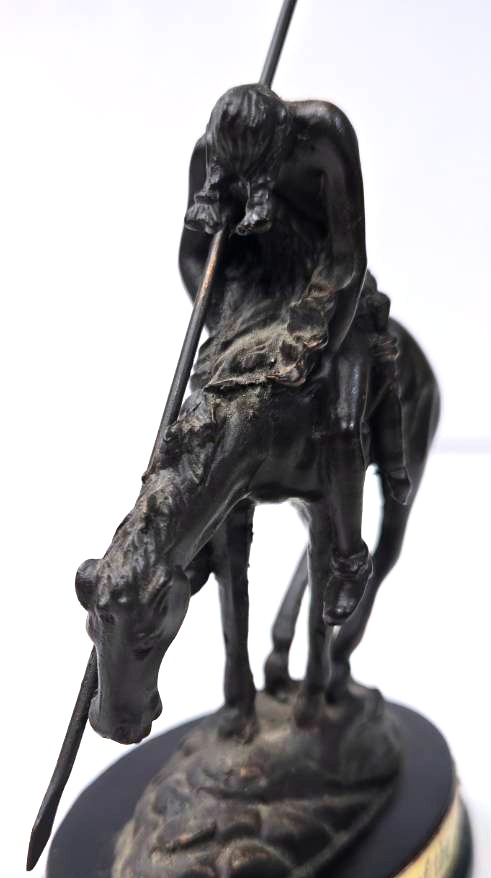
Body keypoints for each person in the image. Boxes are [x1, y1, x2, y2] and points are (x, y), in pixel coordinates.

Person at [179, 84, 410, 624]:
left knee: (342, 421)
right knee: (206, 411)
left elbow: (349, 255)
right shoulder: (208, 155)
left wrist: (321, 344)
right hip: (253, 294)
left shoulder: (324, 135)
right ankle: (200, 536)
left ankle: (349, 559)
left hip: (328, 288)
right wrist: (229, 319)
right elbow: (192, 258)